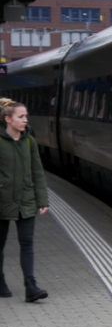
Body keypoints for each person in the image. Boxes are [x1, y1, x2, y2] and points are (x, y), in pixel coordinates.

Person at [0, 98, 48, 302]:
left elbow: (37, 171)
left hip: (26, 199)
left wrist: (42, 199)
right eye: (21, 117)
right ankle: (0, 280)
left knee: (27, 243)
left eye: (26, 116)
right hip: (2, 200)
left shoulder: (29, 141)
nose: (25, 120)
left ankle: (31, 285)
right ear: (7, 119)